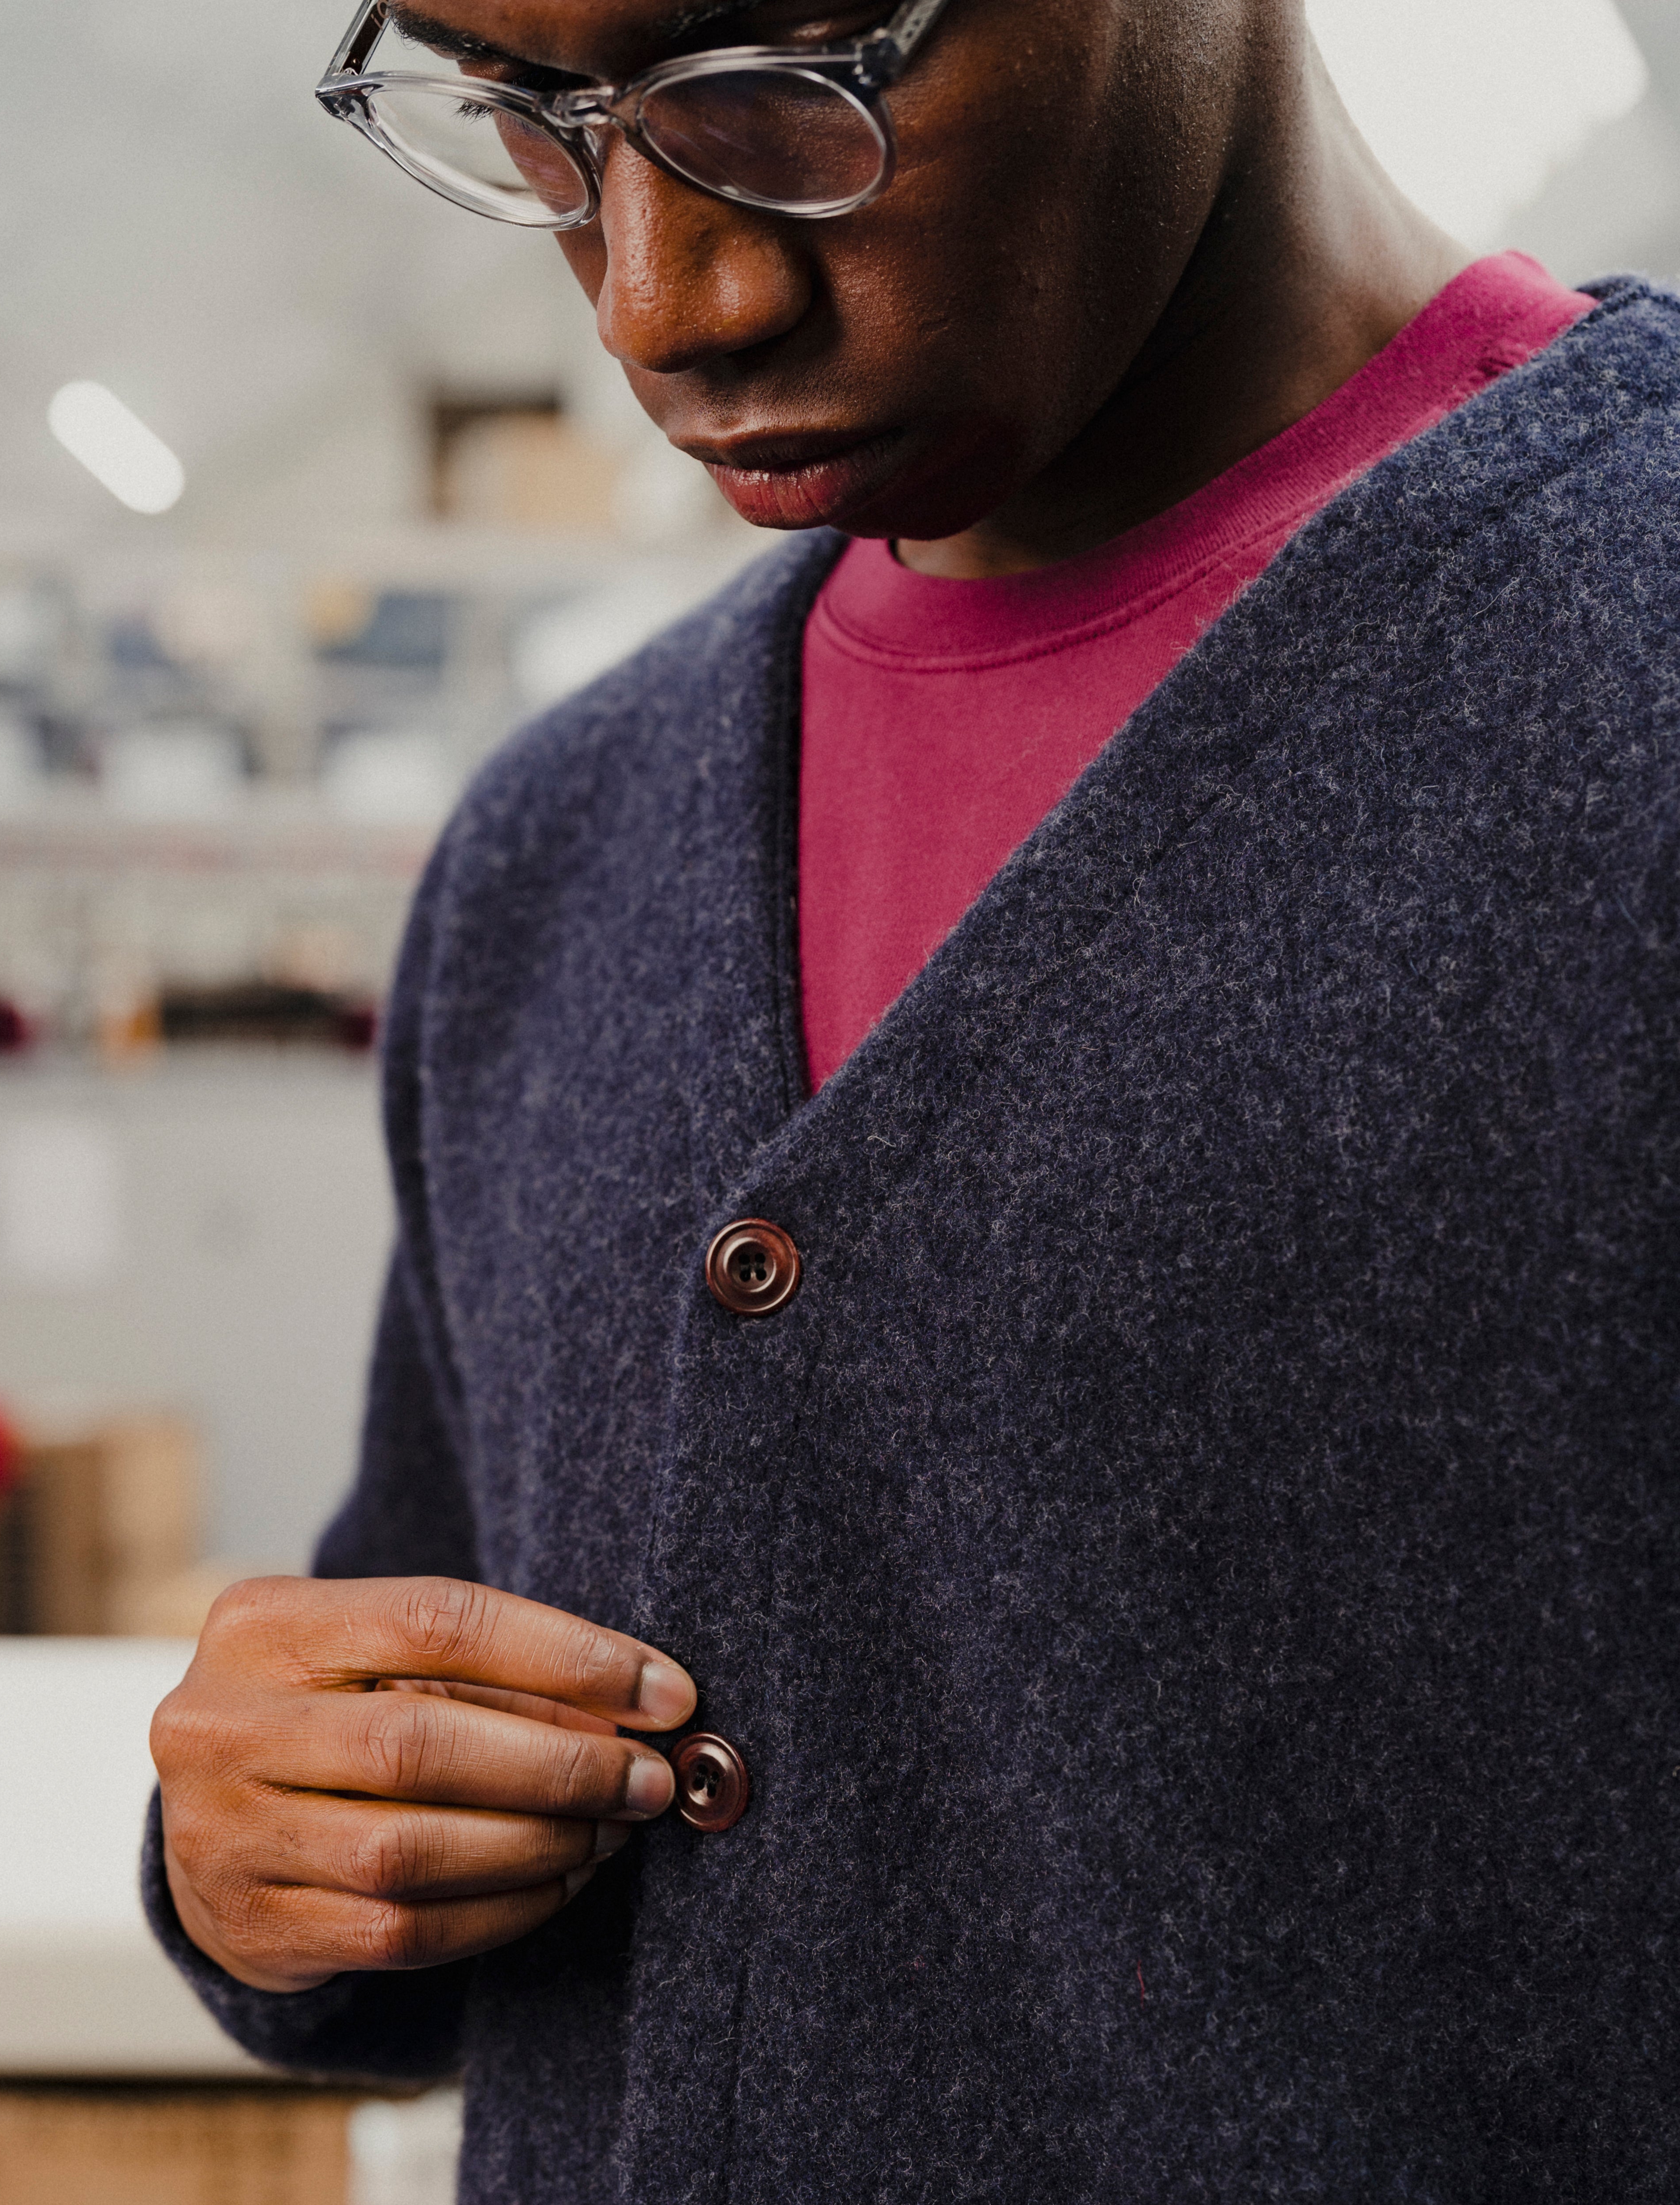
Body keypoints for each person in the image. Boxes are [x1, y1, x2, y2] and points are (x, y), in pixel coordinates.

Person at [147, 0, 1680, 2195]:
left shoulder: (1627, 671)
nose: (666, 299)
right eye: (524, 114)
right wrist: (265, 1857)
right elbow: (408, 1731)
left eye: (792, 76)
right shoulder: (554, 852)